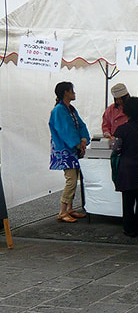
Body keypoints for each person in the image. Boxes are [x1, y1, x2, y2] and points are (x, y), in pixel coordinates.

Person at [48, 82, 90, 223]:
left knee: (74, 177)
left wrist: (83, 139)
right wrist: (79, 143)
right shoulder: (60, 110)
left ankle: (69, 208)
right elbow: (65, 131)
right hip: (65, 149)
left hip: (72, 148)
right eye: (72, 90)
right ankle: (62, 211)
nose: (74, 92)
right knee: (71, 180)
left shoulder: (69, 108)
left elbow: (80, 125)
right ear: (66, 92)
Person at [112, 97, 138, 237]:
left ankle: (128, 228)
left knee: (128, 201)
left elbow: (116, 149)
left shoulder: (122, 129)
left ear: (126, 112)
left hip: (126, 169)